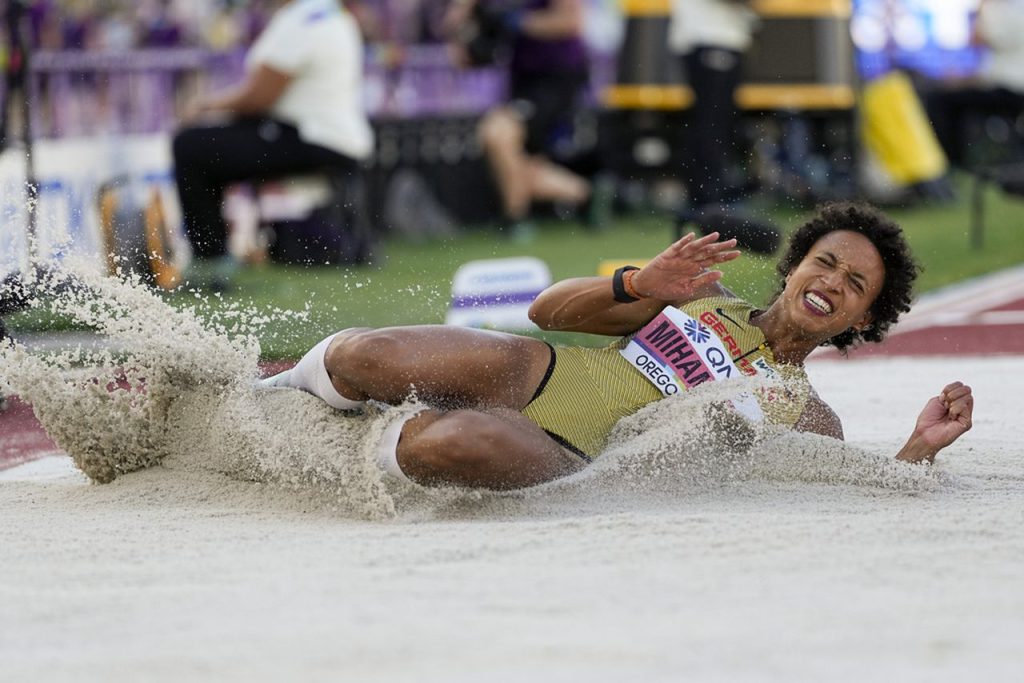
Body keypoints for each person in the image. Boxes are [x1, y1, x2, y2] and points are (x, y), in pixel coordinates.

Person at [260, 202, 974, 490]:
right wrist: (640, 281)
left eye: (855, 284)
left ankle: (324, 449)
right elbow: (546, 309)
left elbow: (850, 488)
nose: (832, 282)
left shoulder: (810, 417)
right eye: (826, 261)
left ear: (860, 320)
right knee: (363, 356)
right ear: (795, 266)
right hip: (532, 368)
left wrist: (915, 452)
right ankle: (263, 397)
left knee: (445, 446)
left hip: (573, 451)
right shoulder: (702, 295)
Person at [172, 0, 373, 287]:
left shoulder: (302, 20)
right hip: (336, 136)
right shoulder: (330, 12)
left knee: (191, 146)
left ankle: (210, 259)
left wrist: (203, 106)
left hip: (311, 136)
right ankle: (215, 252)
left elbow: (259, 98)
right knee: (210, 146)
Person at [444, 0, 595, 239]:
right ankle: (587, 194)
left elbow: (571, 22)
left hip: (556, 79)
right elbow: (465, 57)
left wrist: (520, 22)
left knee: (497, 134)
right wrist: (464, 20)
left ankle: (515, 219)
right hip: (523, 84)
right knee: (519, 162)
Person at [924, 0, 1024, 168]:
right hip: (1010, 89)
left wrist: (982, 8)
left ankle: (953, 163)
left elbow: (976, 37)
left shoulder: (1005, 10)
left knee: (940, 101)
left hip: (1010, 91)